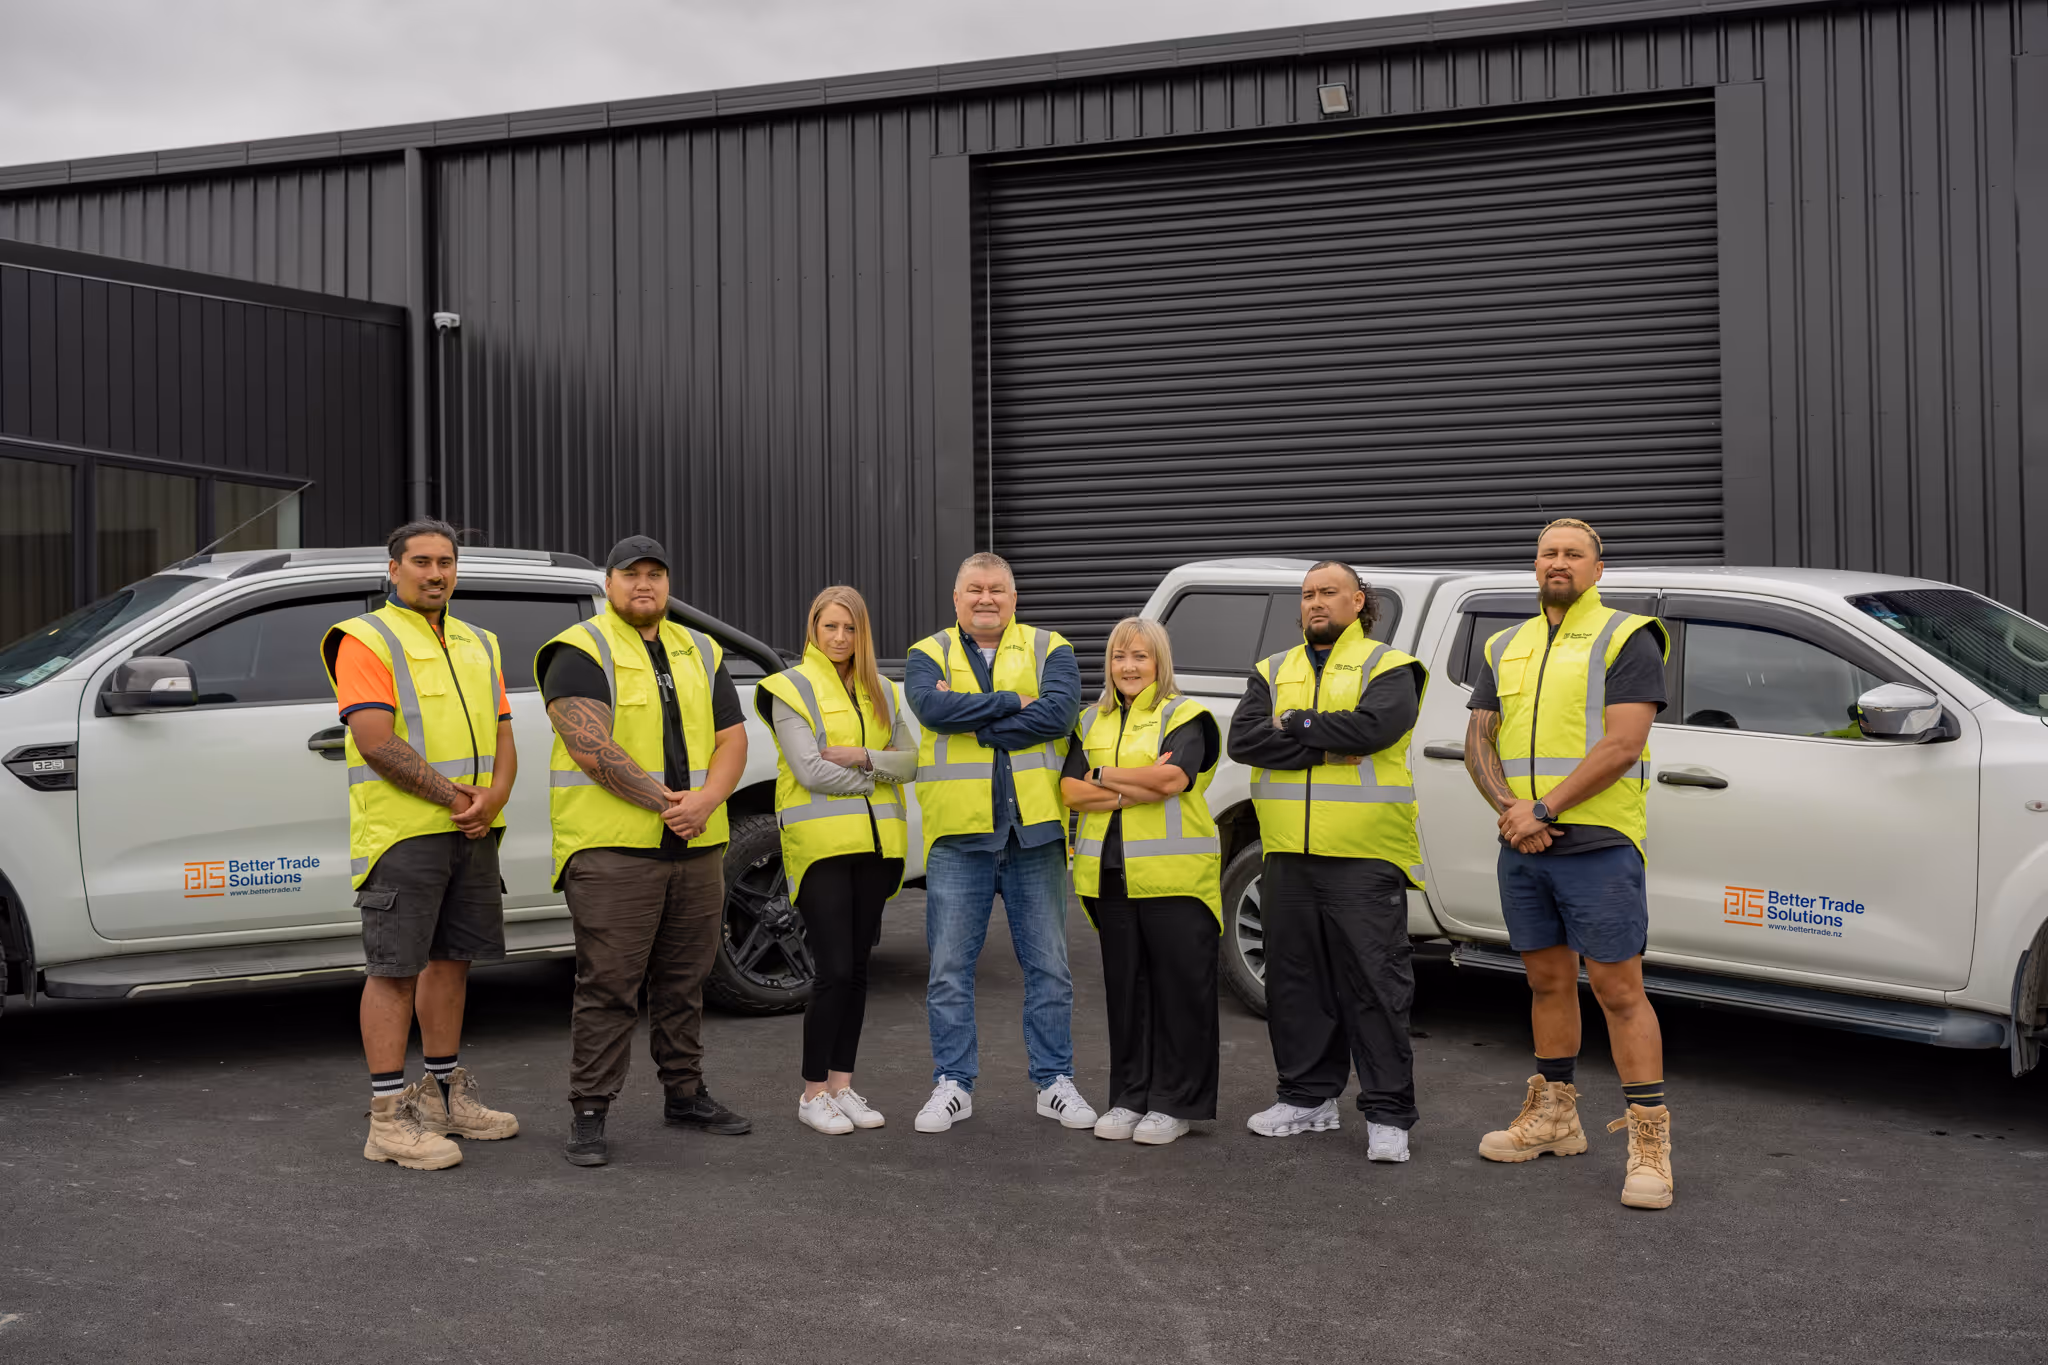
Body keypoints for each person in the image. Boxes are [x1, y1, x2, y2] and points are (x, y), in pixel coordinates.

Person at [1463, 517, 1674, 1209]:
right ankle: (1555, 1118)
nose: (1560, 562)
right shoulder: (1505, 642)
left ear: (1598, 569)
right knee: (1547, 984)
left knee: (1619, 990)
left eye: (1574, 553)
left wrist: (1543, 808)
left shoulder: (1626, 635)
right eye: (1549, 552)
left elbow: (1623, 744)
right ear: (1535, 565)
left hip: (1597, 843)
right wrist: (1510, 810)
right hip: (1524, 844)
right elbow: (1479, 738)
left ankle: (1650, 1147)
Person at [535, 535, 752, 1167]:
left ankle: (684, 1094)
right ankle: (590, 1111)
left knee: (686, 980)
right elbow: (591, 747)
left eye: (656, 574)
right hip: (614, 851)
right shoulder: (579, 650)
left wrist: (706, 801)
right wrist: (670, 804)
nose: (645, 585)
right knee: (610, 985)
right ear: (609, 583)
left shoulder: (700, 648)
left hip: (696, 843)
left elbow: (732, 738)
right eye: (632, 575)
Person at [321, 518, 520, 1171]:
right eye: (422, 561)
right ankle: (386, 1120)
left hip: (469, 827)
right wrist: (457, 797)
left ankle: (441, 1097)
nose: (435, 572)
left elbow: (503, 734)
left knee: (453, 960)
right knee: (394, 970)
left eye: (446, 562)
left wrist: (493, 797)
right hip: (404, 832)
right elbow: (376, 739)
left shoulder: (480, 642)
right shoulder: (366, 638)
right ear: (394, 568)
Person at [1227, 560, 1427, 1164]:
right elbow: (1244, 740)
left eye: (1329, 592)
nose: (1316, 602)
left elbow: (1376, 728)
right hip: (1286, 855)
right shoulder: (1272, 669)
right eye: (1308, 594)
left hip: (1364, 856)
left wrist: (1295, 725)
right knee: (1295, 985)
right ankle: (1307, 1099)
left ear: (1359, 600)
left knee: (1374, 984)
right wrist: (1325, 743)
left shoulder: (1389, 666)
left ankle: (1389, 1113)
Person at [904, 551, 1095, 1133]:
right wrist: (1014, 702)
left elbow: (1060, 716)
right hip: (960, 837)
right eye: (974, 590)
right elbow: (931, 709)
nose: (986, 599)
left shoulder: (1050, 647)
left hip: (1033, 833)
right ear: (956, 599)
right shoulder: (925, 654)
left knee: (1049, 971)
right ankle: (953, 1084)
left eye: (997, 590)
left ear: (1014, 598)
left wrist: (975, 723)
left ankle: (1053, 1082)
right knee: (948, 971)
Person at [755, 586, 917, 1134]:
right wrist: (878, 772)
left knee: (859, 972)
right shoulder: (790, 688)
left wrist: (863, 756)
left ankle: (842, 1086)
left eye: (850, 628)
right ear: (813, 629)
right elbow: (809, 770)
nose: (841, 638)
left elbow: (913, 762)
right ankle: (811, 1094)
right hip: (822, 850)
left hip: (875, 850)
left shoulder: (885, 692)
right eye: (830, 627)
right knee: (834, 971)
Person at [1059, 617, 1222, 1146]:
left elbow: (1173, 779)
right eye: (1118, 657)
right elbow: (1069, 790)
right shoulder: (1090, 721)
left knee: (1181, 995)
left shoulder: (1185, 715)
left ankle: (1175, 1104)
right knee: (1126, 995)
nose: (1128, 667)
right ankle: (1130, 1098)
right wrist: (1134, 785)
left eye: (1140, 657)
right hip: (1110, 878)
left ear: (1160, 662)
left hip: (1175, 879)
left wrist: (1103, 776)